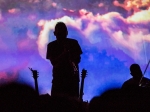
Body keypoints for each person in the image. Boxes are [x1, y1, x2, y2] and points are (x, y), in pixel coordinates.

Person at [46, 22, 82, 98]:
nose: (61, 35)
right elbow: (54, 63)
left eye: (62, 32)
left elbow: (77, 60)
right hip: (59, 80)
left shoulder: (73, 43)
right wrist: (64, 54)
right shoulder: (51, 46)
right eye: (59, 33)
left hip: (71, 80)